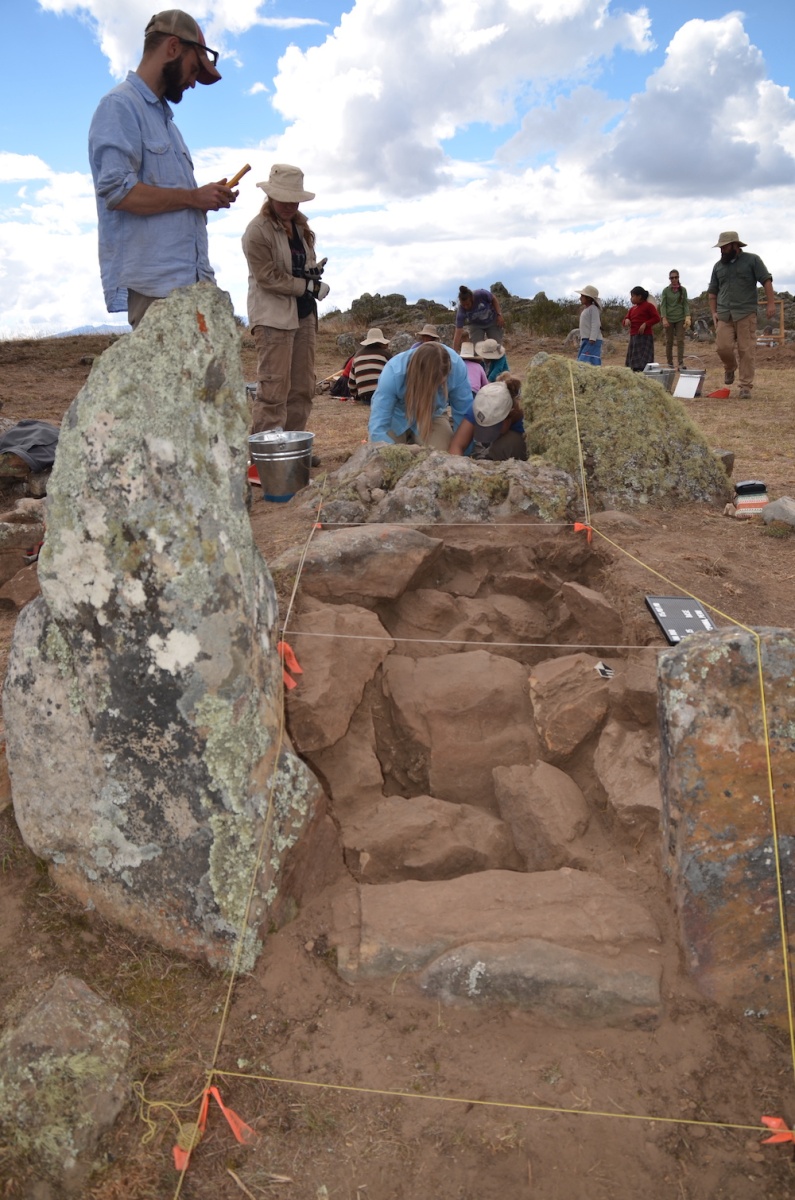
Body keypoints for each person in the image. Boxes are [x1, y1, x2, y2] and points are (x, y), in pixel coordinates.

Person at [88, 10, 238, 330]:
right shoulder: (120, 105)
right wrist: (193, 198)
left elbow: (177, 204)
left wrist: (202, 199)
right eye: (194, 68)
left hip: (192, 288)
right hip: (159, 294)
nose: (194, 82)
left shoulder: (167, 123)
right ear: (172, 48)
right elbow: (119, 192)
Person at [241, 163, 329, 436]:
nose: (290, 204)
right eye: (284, 198)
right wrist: (306, 286)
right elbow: (267, 277)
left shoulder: (301, 228)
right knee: (274, 389)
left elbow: (298, 264)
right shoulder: (257, 231)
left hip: (304, 315)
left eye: (295, 199)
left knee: (302, 388)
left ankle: (293, 449)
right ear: (271, 196)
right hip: (273, 318)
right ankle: (264, 459)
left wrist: (312, 273)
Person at [708, 232, 776, 399]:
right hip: (724, 313)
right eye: (721, 247)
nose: (722, 250)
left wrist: (771, 303)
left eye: (725, 246)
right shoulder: (718, 266)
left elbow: (766, 280)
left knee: (746, 350)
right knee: (722, 347)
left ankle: (745, 386)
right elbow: (712, 292)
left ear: (735, 246)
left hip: (746, 312)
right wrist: (714, 313)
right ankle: (730, 367)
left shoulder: (752, 260)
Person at [368, 342, 471, 450]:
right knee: (384, 452)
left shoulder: (457, 368)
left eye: (440, 385)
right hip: (397, 415)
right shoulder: (393, 373)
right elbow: (378, 427)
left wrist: (462, 453)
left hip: (433, 415)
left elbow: (464, 415)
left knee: (442, 454)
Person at [448, 376, 527, 461]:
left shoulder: (527, 419)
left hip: (518, 438)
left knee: (503, 446)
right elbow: (457, 445)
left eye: (492, 427)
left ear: (507, 420)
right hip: (494, 440)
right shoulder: (482, 406)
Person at [453, 286, 504, 352]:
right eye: (463, 305)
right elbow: (458, 331)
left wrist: (499, 314)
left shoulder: (481, 294)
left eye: (468, 304)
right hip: (476, 325)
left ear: (472, 299)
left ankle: (500, 361)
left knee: (497, 346)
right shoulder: (461, 310)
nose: (466, 307)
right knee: (477, 349)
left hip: (491, 320)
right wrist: (454, 351)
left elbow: (493, 298)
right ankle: (480, 362)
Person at [659, 270, 691, 370]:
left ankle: (680, 363)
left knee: (680, 340)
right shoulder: (666, 291)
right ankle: (670, 363)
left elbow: (685, 303)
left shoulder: (683, 290)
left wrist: (687, 316)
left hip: (680, 318)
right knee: (669, 341)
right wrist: (664, 318)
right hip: (669, 319)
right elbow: (663, 305)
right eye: (672, 278)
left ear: (678, 278)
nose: (674, 279)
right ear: (669, 279)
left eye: (676, 277)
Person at [623, 287, 661, 372]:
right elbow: (625, 319)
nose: (631, 298)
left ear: (639, 296)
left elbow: (657, 318)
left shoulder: (648, 306)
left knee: (643, 360)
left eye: (633, 296)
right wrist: (626, 320)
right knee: (633, 361)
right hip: (634, 337)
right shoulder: (632, 309)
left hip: (645, 336)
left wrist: (645, 324)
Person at [349, 328, 390, 406]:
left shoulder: (357, 355)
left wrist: (355, 395)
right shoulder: (385, 355)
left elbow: (351, 383)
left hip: (365, 397)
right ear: (381, 342)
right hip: (381, 395)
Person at [577, 286, 603, 366]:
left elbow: (596, 324)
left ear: (588, 298)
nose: (580, 298)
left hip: (592, 340)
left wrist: (592, 338)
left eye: (582, 296)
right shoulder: (586, 309)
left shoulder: (593, 309)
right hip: (586, 339)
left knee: (586, 361)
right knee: (583, 360)